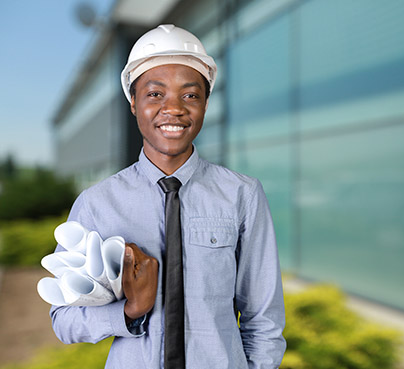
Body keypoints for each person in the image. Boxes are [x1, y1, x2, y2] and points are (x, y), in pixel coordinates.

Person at [50, 24, 286, 369]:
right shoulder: (97, 204)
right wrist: (130, 311)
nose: (173, 108)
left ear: (205, 103)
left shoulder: (243, 195)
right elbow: (63, 319)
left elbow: (263, 319)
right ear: (133, 103)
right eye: (155, 94)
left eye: (189, 95)